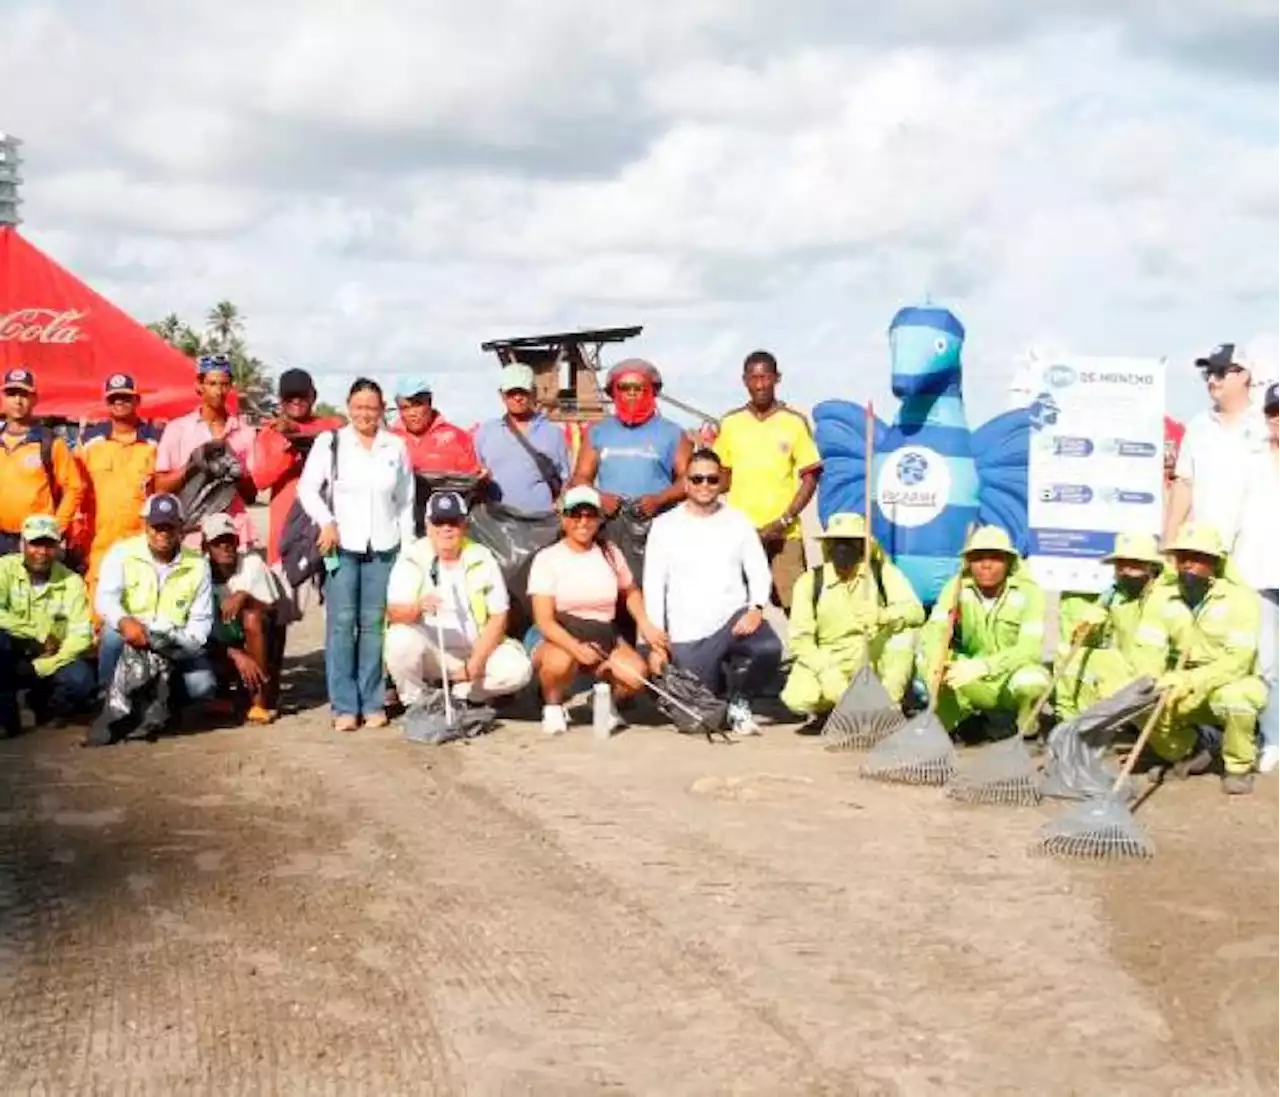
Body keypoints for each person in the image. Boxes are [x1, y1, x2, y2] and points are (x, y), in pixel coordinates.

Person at [298, 378, 414, 732]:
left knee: (374, 628)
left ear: (382, 411)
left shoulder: (394, 446)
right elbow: (307, 488)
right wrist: (326, 522)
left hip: (384, 547)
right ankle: (344, 706)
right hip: (341, 547)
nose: (365, 413)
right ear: (349, 407)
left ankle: (373, 701)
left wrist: (408, 550)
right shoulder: (331, 442)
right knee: (341, 625)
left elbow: (405, 502)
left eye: (372, 407)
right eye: (359, 406)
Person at [642, 450, 781, 736]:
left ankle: (740, 702)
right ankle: (719, 687)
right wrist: (656, 644)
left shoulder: (739, 521)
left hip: (734, 619)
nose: (704, 485)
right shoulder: (664, 526)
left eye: (712, 479)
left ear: (721, 482)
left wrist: (756, 608)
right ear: (686, 482)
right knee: (697, 715)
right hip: (688, 632)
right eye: (697, 479)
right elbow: (654, 584)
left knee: (767, 648)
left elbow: (758, 570)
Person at [526, 485, 668, 736]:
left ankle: (602, 699)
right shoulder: (548, 558)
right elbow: (544, 620)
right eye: (575, 514)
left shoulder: (611, 553)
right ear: (563, 517)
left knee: (636, 676)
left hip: (603, 632)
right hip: (559, 633)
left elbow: (631, 591)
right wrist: (576, 648)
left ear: (599, 518)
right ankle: (553, 704)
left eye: (589, 515)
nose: (582, 521)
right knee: (560, 662)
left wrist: (646, 624)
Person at [384, 490, 532, 707]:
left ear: (464, 524)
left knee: (518, 670)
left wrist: (476, 662)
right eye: (439, 522)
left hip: (475, 648)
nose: (446, 528)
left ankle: (462, 695)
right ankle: (417, 702)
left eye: (453, 522)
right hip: (432, 652)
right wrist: (418, 607)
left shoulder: (482, 557)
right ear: (427, 524)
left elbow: (499, 616)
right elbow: (394, 613)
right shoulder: (412, 557)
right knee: (399, 641)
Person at [1149, 523, 1266, 795]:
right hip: (1178, 684)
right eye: (1182, 557)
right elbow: (1148, 649)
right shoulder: (1162, 596)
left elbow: (1237, 661)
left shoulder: (1241, 599)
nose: (1187, 564)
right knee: (1142, 697)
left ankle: (1239, 766)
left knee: (1237, 698)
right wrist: (1156, 680)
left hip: (1225, 684)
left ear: (1215, 562)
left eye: (1197, 557)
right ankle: (1190, 748)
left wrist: (1191, 680)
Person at [91, 494, 217, 744]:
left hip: (173, 639)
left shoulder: (198, 564)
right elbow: (105, 600)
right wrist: (125, 621)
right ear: (145, 526)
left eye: (169, 526)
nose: (163, 533)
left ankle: (166, 707)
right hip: (133, 633)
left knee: (203, 686)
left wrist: (172, 640)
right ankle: (107, 703)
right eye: (156, 526)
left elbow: (201, 623)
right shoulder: (122, 553)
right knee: (110, 634)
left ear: (181, 527)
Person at [780, 512, 923, 723]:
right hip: (830, 655)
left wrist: (884, 615)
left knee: (905, 637)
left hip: (871, 652)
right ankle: (834, 709)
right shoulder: (810, 582)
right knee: (798, 698)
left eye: (850, 542)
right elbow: (800, 640)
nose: (842, 548)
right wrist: (826, 671)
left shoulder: (882, 573)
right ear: (827, 546)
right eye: (837, 542)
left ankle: (888, 706)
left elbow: (915, 612)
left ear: (863, 545)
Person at [916, 525, 1051, 737]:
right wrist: (936, 663)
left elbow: (1030, 649)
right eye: (978, 558)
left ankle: (1024, 726)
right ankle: (952, 723)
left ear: (1008, 561)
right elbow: (935, 629)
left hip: (1008, 676)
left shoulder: (1029, 592)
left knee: (1032, 682)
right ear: (969, 562)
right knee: (926, 659)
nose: (986, 565)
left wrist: (985, 666)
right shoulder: (957, 586)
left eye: (995, 557)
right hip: (969, 674)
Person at [713, 350, 822, 610]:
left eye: (766, 377)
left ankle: (801, 652)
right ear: (744, 381)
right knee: (737, 606)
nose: (760, 384)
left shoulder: (794, 422)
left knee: (797, 606)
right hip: (741, 533)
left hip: (784, 533)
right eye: (754, 378)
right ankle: (745, 652)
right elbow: (721, 478)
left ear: (777, 379)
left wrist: (785, 519)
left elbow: (811, 475)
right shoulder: (730, 423)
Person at [250, 368, 346, 658]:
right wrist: (286, 444)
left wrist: (301, 434)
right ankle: (271, 691)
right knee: (277, 614)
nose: (296, 403)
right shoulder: (270, 434)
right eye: (289, 398)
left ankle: (337, 684)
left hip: (331, 531)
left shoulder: (331, 427)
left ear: (313, 396)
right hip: (287, 534)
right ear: (280, 400)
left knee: (338, 612)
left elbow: (339, 430)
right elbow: (260, 479)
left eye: (302, 396)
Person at [1053, 533, 1177, 722]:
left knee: (1170, 749)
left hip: (1159, 675)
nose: (1126, 570)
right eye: (1121, 564)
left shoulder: (1168, 598)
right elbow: (1088, 621)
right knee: (1067, 653)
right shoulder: (1114, 593)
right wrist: (1086, 625)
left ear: (1151, 566)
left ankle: (1201, 735)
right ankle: (1072, 723)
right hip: (1124, 666)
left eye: (1134, 564)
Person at [1163, 343, 1267, 553]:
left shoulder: (1268, 424)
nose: (1212, 380)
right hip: (1204, 554)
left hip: (1259, 556)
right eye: (1208, 373)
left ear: (1245, 375)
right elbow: (1183, 485)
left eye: (1220, 373)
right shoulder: (1198, 427)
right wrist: (1169, 541)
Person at [0, 515, 95, 736]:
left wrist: (40, 667)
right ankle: (6, 716)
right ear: (21, 544)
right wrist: (39, 633)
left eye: (48, 545)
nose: (41, 552)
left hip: (50, 658)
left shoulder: (72, 581)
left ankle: (44, 705)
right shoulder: (3, 569)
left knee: (82, 682)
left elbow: (81, 636)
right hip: (11, 651)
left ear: (58, 547)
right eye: (35, 543)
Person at [154, 354, 259, 547]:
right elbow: (160, 487)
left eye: (224, 384)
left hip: (233, 531)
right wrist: (193, 465)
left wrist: (237, 471)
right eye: (212, 384)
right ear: (199, 386)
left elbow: (251, 495)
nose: (218, 391)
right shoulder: (178, 429)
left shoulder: (245, 432)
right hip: (193, 532)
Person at [570, 359, 692, 521]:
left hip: (659, 521)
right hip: (610, 523)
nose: (631, 393)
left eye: (638, 388)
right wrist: (599, 497)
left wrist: (659, 499)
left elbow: (689, 479)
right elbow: (581, 476)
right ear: (613, 392)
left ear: (651, 391)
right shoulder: (597, 431)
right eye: (624, 388)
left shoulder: (673, 432)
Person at [77, 373, 163, 601]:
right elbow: (77, 491)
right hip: (100, 545)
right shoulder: (89, 442)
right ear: (106, 402)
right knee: (97, 618)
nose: (120, 403)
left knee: (140, 612)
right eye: (114, 398)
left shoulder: (156, 441)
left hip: (143, 544)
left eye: (126, 397)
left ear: (137, 401)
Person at [1231, 381, 1280, 775]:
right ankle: (1274, 737)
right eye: (1273, 413)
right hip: (1258, 571)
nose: (1278, 420)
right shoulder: (1250, 460)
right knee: (1266, 664)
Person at [202, 513, 282, 724]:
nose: (225, 547)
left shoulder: (252, 563)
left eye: (230, 541)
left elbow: (272, 609)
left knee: (253, 617)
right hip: (218, 646)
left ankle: (258, 701)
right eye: (218, 543)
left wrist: (244, 595)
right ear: (206, 547)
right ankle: (221, 694)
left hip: (254, 643)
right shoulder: (198, 572)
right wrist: (234, 654)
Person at [0, 367, 85, 556]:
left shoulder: (49, 442)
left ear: (35, 399)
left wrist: (56, 527)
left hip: (36, 540)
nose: (18, 401)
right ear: (3, 398)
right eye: (11, 394)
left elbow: (74, 487)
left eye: (24, 394)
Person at [473, 363, 571, 512]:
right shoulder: (486, 432)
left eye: (523, 392)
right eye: (512, 393)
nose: (518, 398)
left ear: (533, 392)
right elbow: (474, 474)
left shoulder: (553, 433)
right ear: (501, 395)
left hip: (541, 520)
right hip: (497, 521)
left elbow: (566, 480)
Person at [392, 377, 481, 476]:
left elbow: (474, 480)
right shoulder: (388, 441)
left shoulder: (458, 438)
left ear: (429, 403)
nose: (412, 413)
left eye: (417, 405)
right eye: (405, 408)